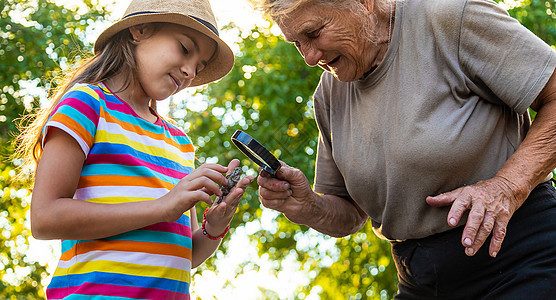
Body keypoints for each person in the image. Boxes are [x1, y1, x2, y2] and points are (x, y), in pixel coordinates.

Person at [253, 0, 556, 298]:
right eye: (296, 43)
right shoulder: (330, 93)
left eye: (314, 32)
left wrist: (505, 187)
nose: (308, 57)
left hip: (520, 258)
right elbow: (349, 213)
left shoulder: (452, 16)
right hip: (420, 281)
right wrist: (308, 207)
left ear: (364, 3)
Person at [15, 0, 254, 298]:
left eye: (200, 66)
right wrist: (164, 206)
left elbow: (187, 254)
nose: (190, 71)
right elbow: (45, 218)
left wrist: (215, 226)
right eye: (184, 48)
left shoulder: (180, 142)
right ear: (139, 30)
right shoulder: (87, 105)